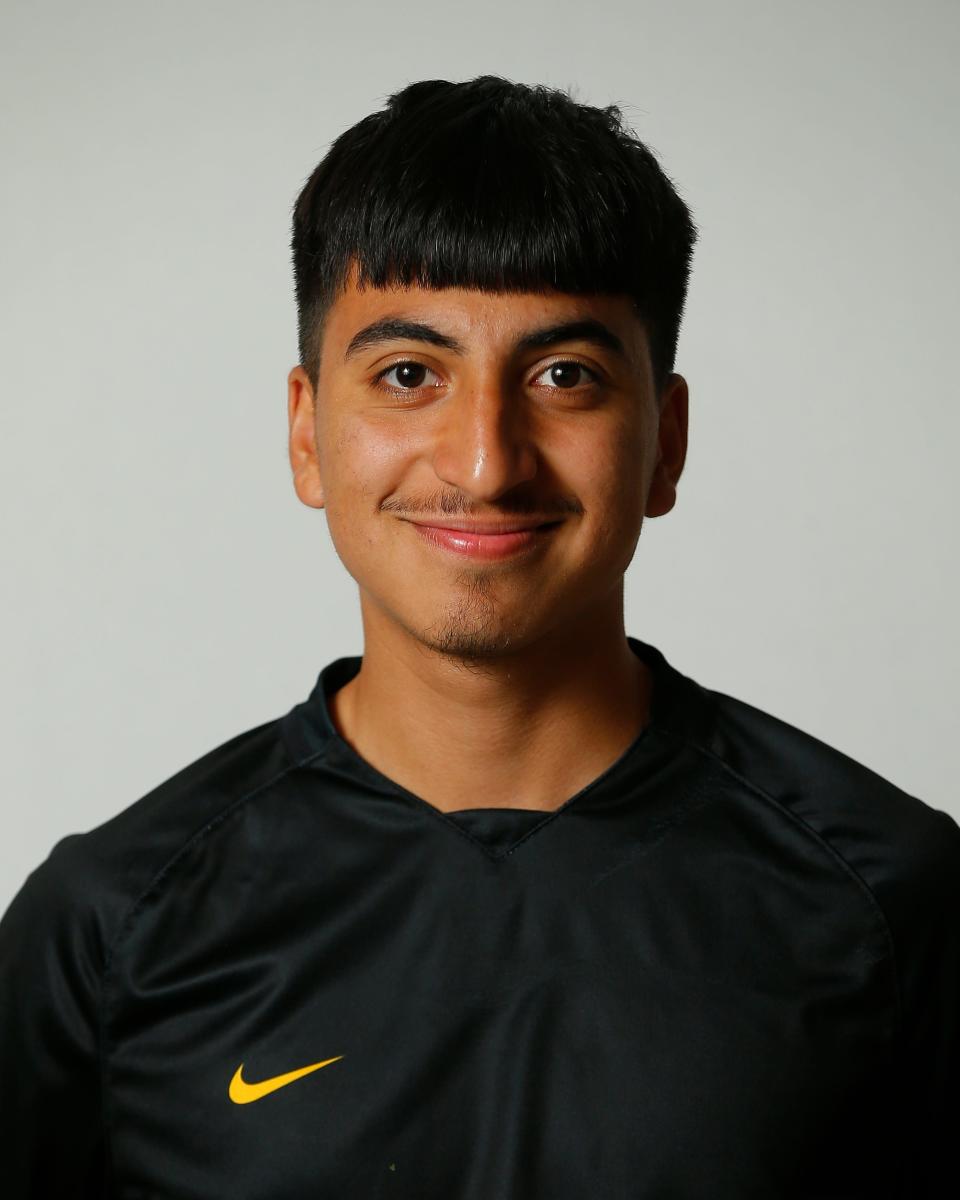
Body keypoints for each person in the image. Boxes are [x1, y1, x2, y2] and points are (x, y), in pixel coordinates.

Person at [1, 75, 956, 1199]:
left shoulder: (894, 903)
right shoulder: (108, 927)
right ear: (307, 434)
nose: (486, 461)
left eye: (566, 377)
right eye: (409, 375)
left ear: (666, 441)